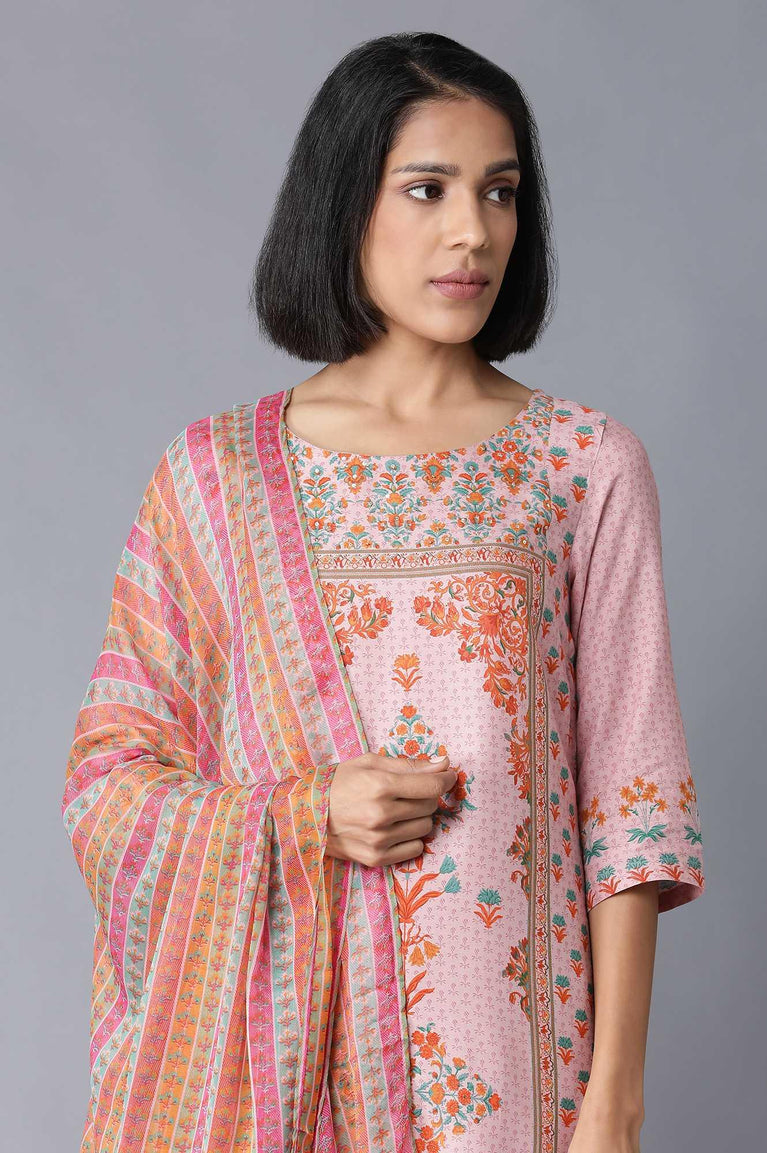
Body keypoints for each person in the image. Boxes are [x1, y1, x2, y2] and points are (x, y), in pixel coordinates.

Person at [62, 30, 706, 1153]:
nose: (474, 231)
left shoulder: (580, 464)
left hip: (515, 1072)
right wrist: (307, 814)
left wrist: (613, 1100)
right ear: (342, 204)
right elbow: (108, 784)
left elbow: (630, 808)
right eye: (427, 188)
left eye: (500, 192)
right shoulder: (216, 477)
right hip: (281, 1071)